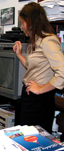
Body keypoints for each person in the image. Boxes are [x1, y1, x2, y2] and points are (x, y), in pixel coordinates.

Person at [13, 2, 64, 133]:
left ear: (30, 22)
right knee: (25, 137)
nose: (22, 26)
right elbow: (32, 68)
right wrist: (19, 55)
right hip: (29, 97)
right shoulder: (36, 41)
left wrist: (41, 89)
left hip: (39, 100)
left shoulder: (48, 41)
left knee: (35, 140)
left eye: (22, 22)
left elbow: (62, 72)